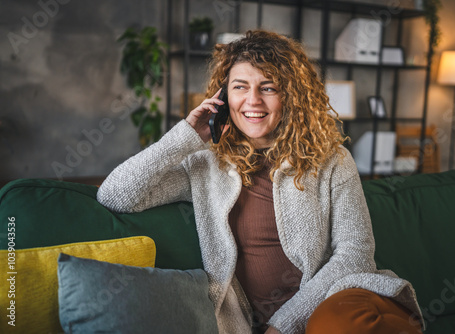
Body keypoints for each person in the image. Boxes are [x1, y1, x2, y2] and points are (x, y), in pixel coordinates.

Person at [97, 30, 424, 334]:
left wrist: (284, 325)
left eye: (268, 87)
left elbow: (356, 255)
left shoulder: (331, 159)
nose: (252, 100)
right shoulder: (206, 165)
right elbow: (116, 195)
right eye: (240, 86)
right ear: (223, 96)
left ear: (292, 96)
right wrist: (185, 136)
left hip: (340, 307)